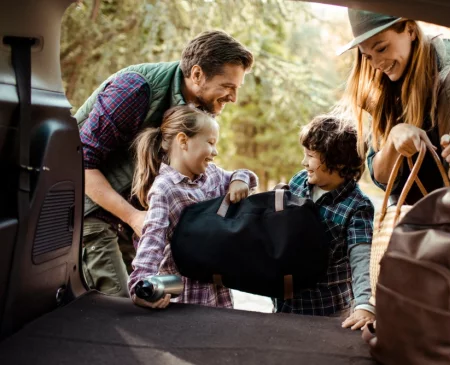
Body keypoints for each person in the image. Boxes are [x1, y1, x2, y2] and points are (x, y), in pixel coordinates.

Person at [77, 30, 254, 297]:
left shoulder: (197, 110)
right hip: (89, 209)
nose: (233, 98)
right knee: (124, 302)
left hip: (131, 218)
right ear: (196, 75)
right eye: (228, 87)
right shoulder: (134, 90)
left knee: (154, 297)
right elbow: (80, 164)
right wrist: (134, 216)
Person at [338, 8, 450, 205]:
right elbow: (382, 179)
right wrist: (394, 138)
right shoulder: (380, 87)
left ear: (410, 30)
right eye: (367, 56)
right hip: (404, 217)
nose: (376, 64)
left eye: (381, 48)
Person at [127, 105, 258, 309]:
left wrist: (239, 179)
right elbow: (152, 239)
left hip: (217, 292)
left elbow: (240, 175)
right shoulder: (165, 189)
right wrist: (140, 285)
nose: (215, 152)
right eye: (211, 142)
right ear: (183, 141)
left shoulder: (211, 175)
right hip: (186, 296)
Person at [276, 115, 376, 331]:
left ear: (338, 162)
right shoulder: (298, 182)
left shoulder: (358, 207)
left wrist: (364, 304)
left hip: (327, 311)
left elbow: (361, 258)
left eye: (310, 156)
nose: (304, 162)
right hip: (285, 303)